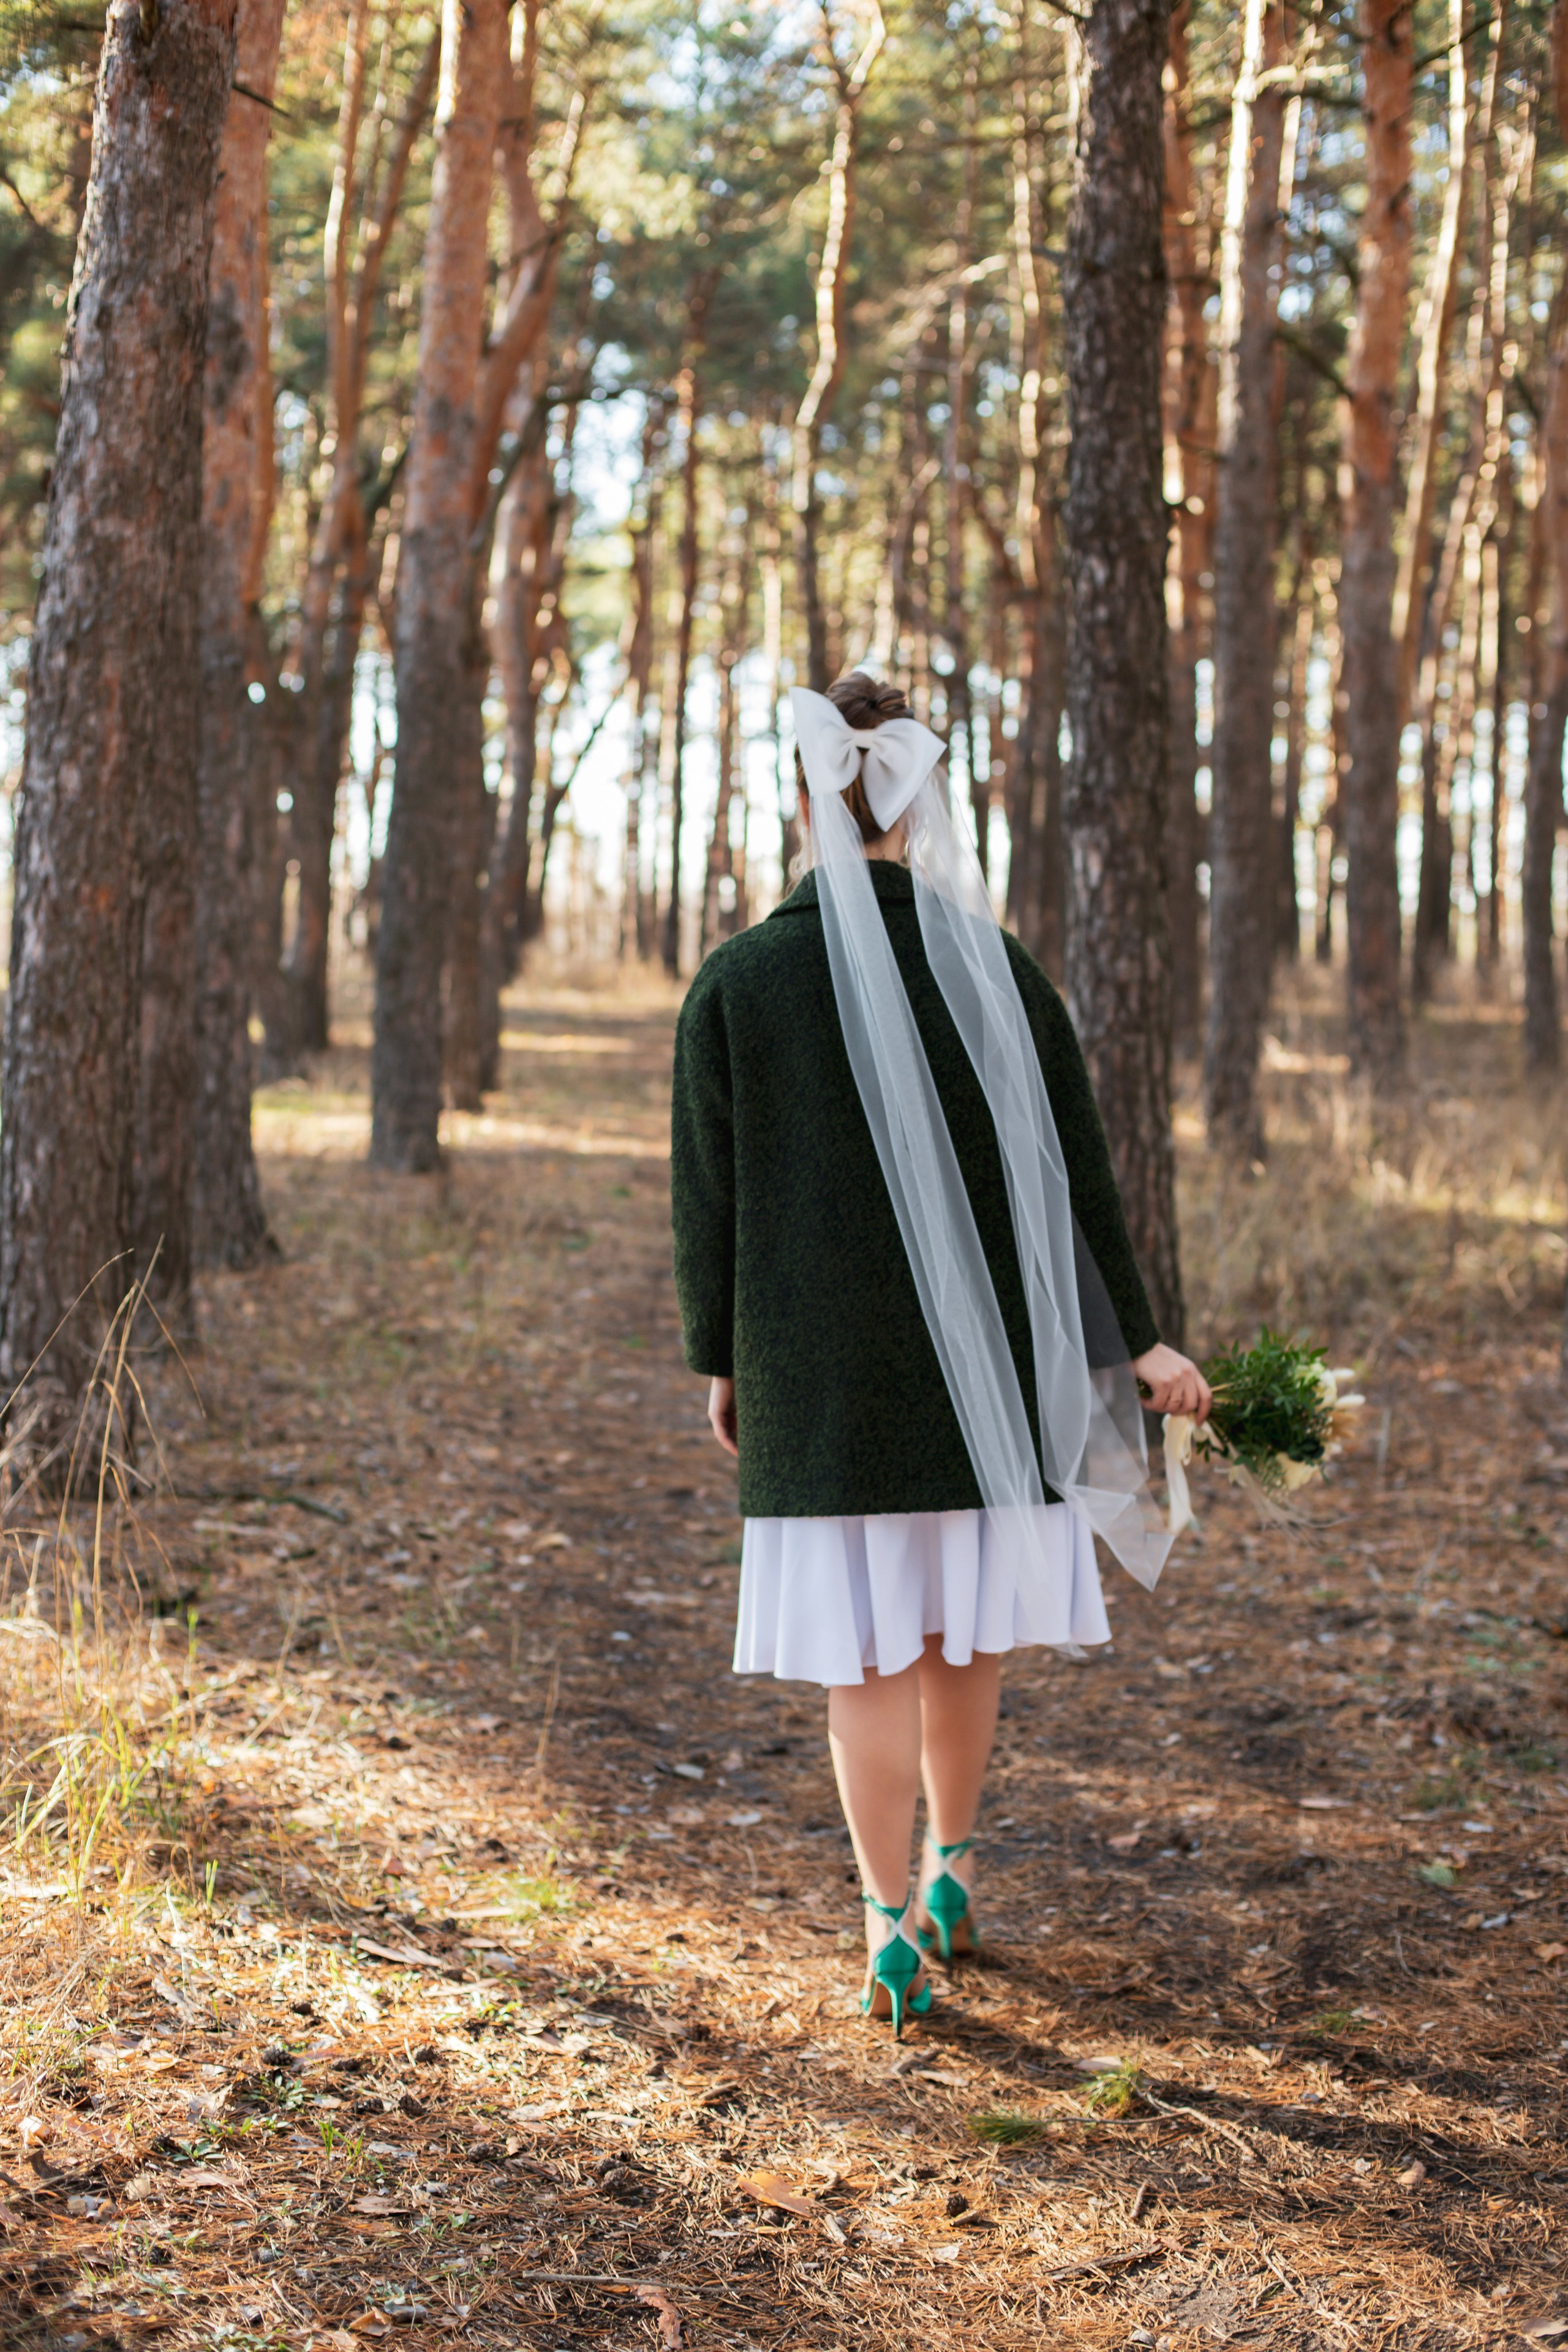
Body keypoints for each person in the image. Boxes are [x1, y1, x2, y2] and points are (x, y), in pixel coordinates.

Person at [671, 672, 1210, 2037]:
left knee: (863, 1663)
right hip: (988, 1387)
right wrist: (1131, 1337)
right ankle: (955, 1873)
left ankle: (881, 1921)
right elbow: (1075, 1175)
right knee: (960, 1643)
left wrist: (720, 1361)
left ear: (801, 798)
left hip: (825, 1387)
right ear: (916, 802)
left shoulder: (734, 984)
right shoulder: (994, 970)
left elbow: (709, 1201)